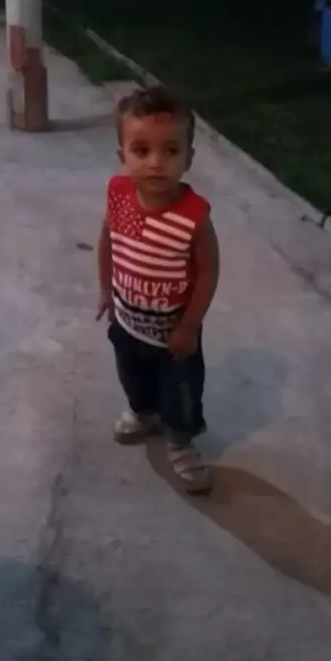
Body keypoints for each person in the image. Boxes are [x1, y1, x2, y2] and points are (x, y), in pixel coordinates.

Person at [97, 86, 220, 495]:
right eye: (141, 150)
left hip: (174, 336)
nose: (155, 162)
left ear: (188, 158)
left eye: (170, 151)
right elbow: (108, 241)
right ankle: (142, 412)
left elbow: (208, 272)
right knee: (132, 376)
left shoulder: (193, 216)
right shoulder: (119, 194)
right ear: (122, 154)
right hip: (127, 322)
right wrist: (106, 290)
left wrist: (189, 326)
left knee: (181, 393)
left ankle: (180, 443)